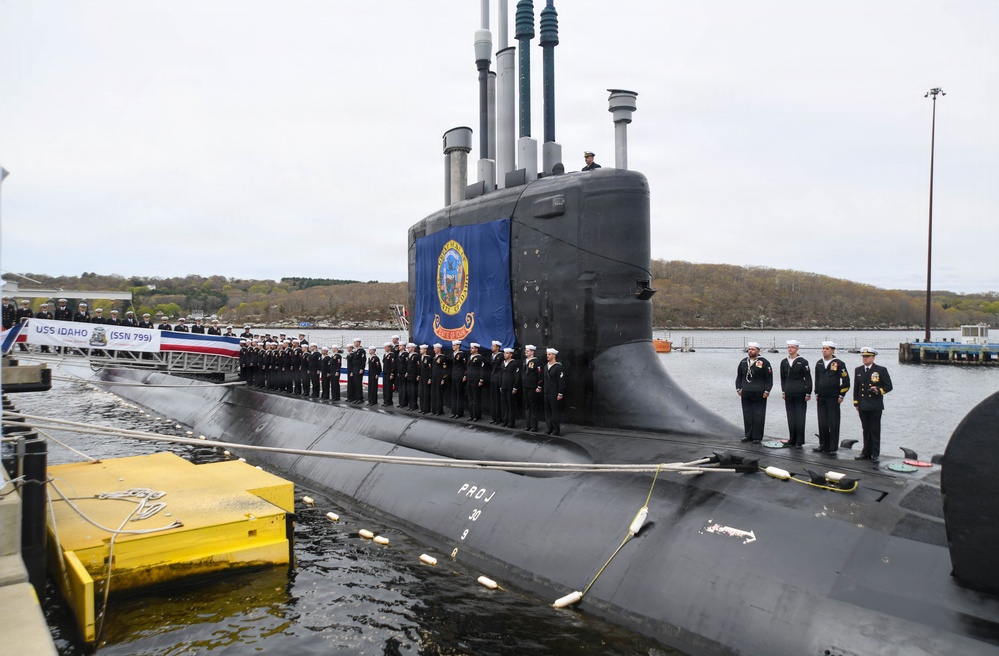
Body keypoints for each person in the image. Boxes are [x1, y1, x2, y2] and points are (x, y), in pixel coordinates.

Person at [853, 347, 893, 467]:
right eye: (863, 356)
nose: (865, 359)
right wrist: (856, 402)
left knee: (875, 429)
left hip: (875, 405)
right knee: (865, 429)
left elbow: (889, 386)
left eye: (867, 357)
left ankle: (875, 454)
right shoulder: (858, 370)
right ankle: (866, 452)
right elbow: (857, 388)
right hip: (863, 404)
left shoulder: (880, 370)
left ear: (873, 357)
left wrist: (879, 390)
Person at [813, 340, 850, 454]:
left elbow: (846, 381)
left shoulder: (839, 363)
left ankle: (833, 447)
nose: (824, 351)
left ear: (832, 350)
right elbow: (817, 379)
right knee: (822, 421)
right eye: (823, 348)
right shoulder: (819, 363)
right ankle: (823, 444)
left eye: (827, 349)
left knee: (833, 422)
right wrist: (817, 392)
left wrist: (841, 395)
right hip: (822, 396)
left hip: (833, 397)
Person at [735, 341, 773, 443]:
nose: (750, 351)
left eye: (753, 349)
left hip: (759, 393)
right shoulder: (743, 362)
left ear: (758, 351)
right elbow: (739, 376)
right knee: (747, 415)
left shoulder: (764, 362)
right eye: (749, 349)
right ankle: (748, 435)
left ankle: (757, 437)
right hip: (746, 392)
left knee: (758, 415)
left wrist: (767, 390)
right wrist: (738, 388)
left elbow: (769, 378)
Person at [779, 340, 812, 449]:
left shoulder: (802, 362)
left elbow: (807, 378)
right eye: (789, 347)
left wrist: (808, 392)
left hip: (800, 392)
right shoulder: (784, 362)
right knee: (791, 417)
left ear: (797, 349)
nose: (790, 349)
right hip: (789, 392)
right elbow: (783, 378)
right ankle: (792, 438)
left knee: (800, 417)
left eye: (792, 347)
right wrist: (783, 391)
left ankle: (800, 440)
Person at [542, 348, 566, 435]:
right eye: (547, 354)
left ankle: (556, 429)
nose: (547, 356)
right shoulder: (545, 366)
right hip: (546, 392)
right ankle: (550, 428)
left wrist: (560, 392)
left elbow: (561, 380)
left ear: (554, 355)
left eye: (549, 354)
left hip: (554, 392)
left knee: (554, 412)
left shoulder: (558, 367)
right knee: (547, 412)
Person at [521, 345, 542, 432]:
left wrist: (539, 386)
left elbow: (540, 375)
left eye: (528, 351)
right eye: (526, 350)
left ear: (532, 352)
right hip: (525, 386)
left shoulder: (536, 362)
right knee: (527, 406)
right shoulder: (524, 361)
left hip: (532, 387)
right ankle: (528, 425)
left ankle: (534, 426)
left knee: (533, 406)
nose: (526, 352)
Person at [499, 347, 521, 428]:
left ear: (511, 354)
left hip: (510, 387)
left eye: (507, 353)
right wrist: (500, 385)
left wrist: (515, 387)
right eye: (505, 353)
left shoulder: (514, 364)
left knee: (510, 406)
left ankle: (510, 423)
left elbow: (517, 376)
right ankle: (505, 421)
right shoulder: (502, 363)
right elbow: (500, 375)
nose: (505, 354)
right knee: (504, 405)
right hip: (503, 387)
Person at [465, 342, 485, 422]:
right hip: (469, 379)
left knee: (475, 398)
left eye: (472, 348)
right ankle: (471, 414)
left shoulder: (480, 358)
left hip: (475, 380)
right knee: (470, 398)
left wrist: (481, 379)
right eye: (470, 348)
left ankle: (476, 415)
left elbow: (482, 369)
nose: (471, 349)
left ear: (476, 349)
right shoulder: (470, 357)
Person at [450, 340, 468, 418]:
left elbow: (465, 366)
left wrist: (465, 375)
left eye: (454, 345)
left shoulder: (462, 354)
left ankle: (459, 412)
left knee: (459, 395)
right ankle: (454, 411)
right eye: (452, 345)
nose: (453, 347)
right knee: (454, 394)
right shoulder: (453, 354)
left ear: (458, 346)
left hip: (460, 375)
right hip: (454, 375)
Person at [431, 343, 449, 415]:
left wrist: (443, 379)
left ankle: (439, 410)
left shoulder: (442, 358)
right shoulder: (434, 357)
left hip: (439, 378)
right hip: (434, 378)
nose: (434, 350)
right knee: (434, 394)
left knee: (439, 395)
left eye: (435, 348)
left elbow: (445, 369)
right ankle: (434, 410)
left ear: (439, 349)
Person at [489, 340, 504, 424]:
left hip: (498, 378)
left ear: (498, 347)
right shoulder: (492, 355)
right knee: (493, 399)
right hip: (492, 378)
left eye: (493, 346)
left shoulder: (500, 356)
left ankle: (498, 418)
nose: (492, 347)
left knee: (498, 399)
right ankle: (493, 417)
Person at [418, 344, 432, 413]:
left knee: (426, 393)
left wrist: (430, 378)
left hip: (426, 377)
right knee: (421, 393)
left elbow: (429, 369)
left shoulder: (428, 358)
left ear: (425, 350)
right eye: (420, 349)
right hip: (422, 377)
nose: (420, 351)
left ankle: (426, 408)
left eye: (422, 349)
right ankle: (422, 407)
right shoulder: (421, 357)